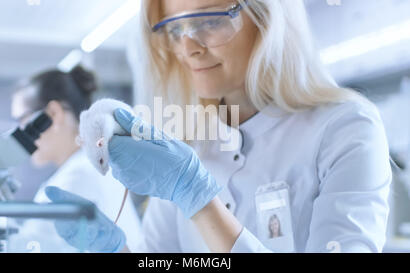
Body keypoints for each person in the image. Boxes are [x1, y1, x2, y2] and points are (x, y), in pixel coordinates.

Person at [46, 0, 392, 253]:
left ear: (267, 18)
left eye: (209, 21)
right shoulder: (186, 146)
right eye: (175, 28)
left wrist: (199, 200)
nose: (188, 47)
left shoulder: (344, 127)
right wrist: (114, 250)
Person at [9, 66, 142, 252]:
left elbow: (28, 247)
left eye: (21, 121)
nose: (18, 133)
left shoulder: (76, 178)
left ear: (53, 114)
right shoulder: (94, 168)